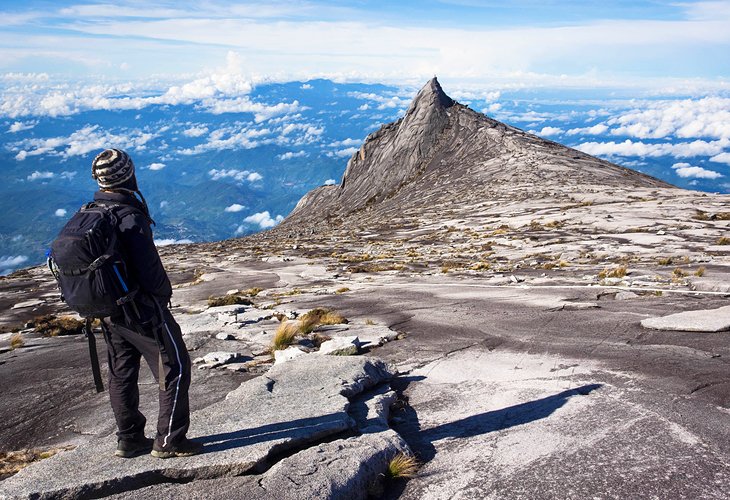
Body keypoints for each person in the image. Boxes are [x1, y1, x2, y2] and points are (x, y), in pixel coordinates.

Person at [90, 148, 201, 459]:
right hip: (142, 311)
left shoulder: (93, 213)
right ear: (129, 175)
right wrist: (161, 299)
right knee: (176, 367)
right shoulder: (128, 218)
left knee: (121, 372)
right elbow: (151, 273)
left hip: (109, 313)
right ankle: (169, 441)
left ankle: (128, 439)